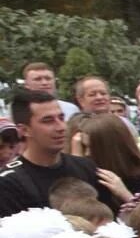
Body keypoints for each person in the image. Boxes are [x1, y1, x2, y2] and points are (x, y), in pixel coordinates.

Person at [0, 89, 113, 217]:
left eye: (61, 117)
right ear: (24, 130)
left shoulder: (86, 168)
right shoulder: (9, 182)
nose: (61, 127)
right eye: (48, 121)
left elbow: (107, 222)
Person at [72, 113, 140, 201]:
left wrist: (126, 196)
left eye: (92, 148)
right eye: (84, 147)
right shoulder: (94, 177)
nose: (87, 153)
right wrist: (77, 160)